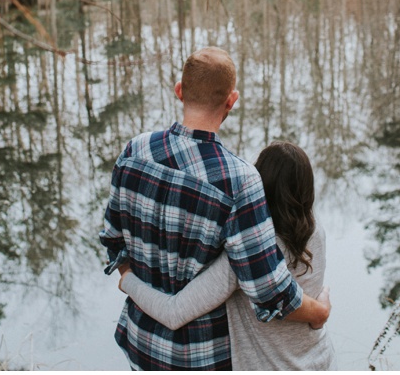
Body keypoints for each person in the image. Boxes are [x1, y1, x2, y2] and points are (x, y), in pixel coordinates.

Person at [99, 47, 330, 370]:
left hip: (141, 343)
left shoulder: (135, 151)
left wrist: (128, 278)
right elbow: (268, 291)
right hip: (203, 357)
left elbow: (112, 239)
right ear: (231, 101)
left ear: (179, 91)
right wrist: (320, 312)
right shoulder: (240, 181)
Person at [119, 141, 336, 370]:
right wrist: (319, 311)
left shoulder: (249, 252)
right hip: (320, 360)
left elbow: (174, 312)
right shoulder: (315, 230)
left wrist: (127, 280)